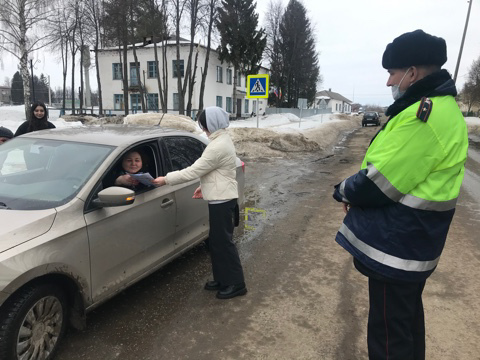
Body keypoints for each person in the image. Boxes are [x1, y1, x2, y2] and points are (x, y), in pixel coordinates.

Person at [332, 29, 468, 360]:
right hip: (414, 240)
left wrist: (344, 190)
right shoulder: (440, 109)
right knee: (405, 324)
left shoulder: (426, 115)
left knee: (389, 335)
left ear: (413, 72)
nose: (389, 81)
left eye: (392, 73)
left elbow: (379, 182)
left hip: (400, 243)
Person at [152, 106, 247, 300]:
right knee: (217, 243)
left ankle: (237, 283)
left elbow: (194, 171)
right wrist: (204, 187)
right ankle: (222, 279)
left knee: (223, 244)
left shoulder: (218, 146)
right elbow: (217, 171)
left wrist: (166, 179)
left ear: (211, 124)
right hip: (220, 197)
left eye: (204, 125)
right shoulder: (220, 140)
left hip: (222, 200)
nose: (203, 129)